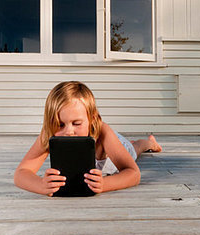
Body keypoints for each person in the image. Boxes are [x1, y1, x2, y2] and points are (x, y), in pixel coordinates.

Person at [14, 81, 162, 196]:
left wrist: (104, 184)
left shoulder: (103, 131)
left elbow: (133, 173)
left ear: (91, 119)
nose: (68, 131)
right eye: (60, 125)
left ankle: (149, 142)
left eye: (77, 123)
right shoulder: (49, 132)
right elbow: (21, 173)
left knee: (135, 149)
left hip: (116, 147)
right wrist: (40, 185)